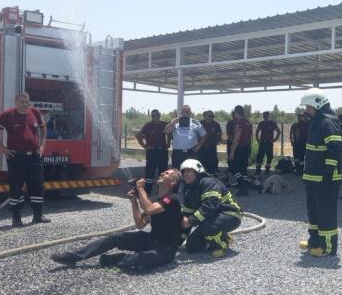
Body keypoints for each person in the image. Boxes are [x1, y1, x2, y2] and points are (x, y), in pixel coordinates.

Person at [51, 169, 183, 269]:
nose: (162, 173)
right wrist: (134, 202)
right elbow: (140, 224)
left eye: (167, 174)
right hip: (150, 240)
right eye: (163, 172)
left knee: (135, 262)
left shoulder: (172, 199)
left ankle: (117, 259)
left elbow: (149, 209)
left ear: (173, 182)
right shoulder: (156, 201)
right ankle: (74, 256)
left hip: (165, 249)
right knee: (116, 237)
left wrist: (141, 188)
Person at [0, 92, 50, 228]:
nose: (24, 104)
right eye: (21, 102)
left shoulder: (35, 113)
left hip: (34, 156)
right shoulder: (8, 115)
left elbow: (43, 130)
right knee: (15, 187)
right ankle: (16, 219)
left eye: (26, 101)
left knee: (37, 185)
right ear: (16, 102)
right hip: (16, 157)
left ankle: (38, 216)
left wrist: (42, 146)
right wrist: (2, 148)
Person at [299, 88, 342, 257]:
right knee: (314, 211)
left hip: (325, 179)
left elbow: (336, 149)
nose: (306, 110)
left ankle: (328, 247)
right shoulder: (316, 121)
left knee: (326, 213)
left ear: (318, 103)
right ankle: (315, 241)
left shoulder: (328, 122)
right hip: (312, 177)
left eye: (308, 107)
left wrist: (327, 173)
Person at [179, 159, 242, 257]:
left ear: (197, 171)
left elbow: (210, 206)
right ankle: (221, 235)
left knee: (208, 226)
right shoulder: (189, 190)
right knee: (192, 247)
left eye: (188, 172)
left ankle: (221, 245)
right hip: (211, 218)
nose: (185, 175)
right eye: (183, 172)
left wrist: (191, 221)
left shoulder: (209, 183)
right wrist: (180, 237)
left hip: (230, 215)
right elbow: (187, 214)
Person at [136, 109, 169, 194]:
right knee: (150, 172)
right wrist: (145, 146)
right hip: (152, 152)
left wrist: (168, 143)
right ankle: (148, 192)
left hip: (162, 152)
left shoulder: (164, 124)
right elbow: (138, 136)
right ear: (151, 116)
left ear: (159, 115)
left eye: (157, 115)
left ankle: (161, 192)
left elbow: (170, 134)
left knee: (163, 173)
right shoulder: (148, 125)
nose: (155, 117)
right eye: (153, 115)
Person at [164, 105, 206, 169]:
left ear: (190, 113)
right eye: (184, 112)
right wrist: (172, 124)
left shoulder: (196, 122)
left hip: (191, 152)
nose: (185, 113)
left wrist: (199, 145)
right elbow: (166, 131)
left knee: (191, 171)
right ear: (181, 113)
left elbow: (204, 135)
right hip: (178, 153)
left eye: (187, 111)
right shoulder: (175, 121)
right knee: (177, 172)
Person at [228, 105, 253, 178]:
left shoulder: (239, 122)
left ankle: (240, 185)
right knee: (244, 168)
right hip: (247, 147)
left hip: (240, 148)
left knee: (237, 168)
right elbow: (251, 136)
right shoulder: (248, 122)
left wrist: (232, 151)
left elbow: (237, 138)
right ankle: (244, 184)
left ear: (236, 112)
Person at [199, 110, 222, 175]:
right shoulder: (200, 124)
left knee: (212, 166)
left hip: (211, 148)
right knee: (201, 166)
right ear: (205, 116)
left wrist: (218, 140)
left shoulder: (216, 124)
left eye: (213, 116)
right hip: (201, 148)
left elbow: (219, 135)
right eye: (210, 116)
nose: (212, 117)